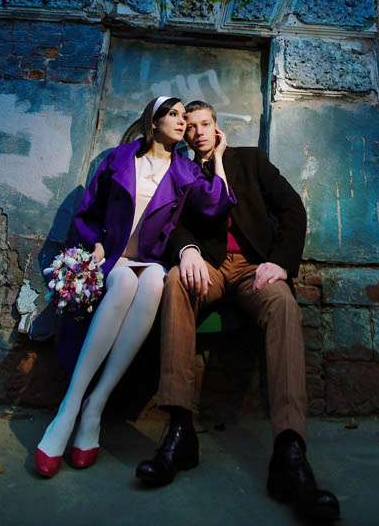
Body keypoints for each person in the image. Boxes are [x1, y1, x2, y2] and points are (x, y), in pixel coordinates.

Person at [135, 100, 340, 523]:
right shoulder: (182, 170)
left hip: (253, 268)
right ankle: (180, 429)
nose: (198, 132)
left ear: (217, 127)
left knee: (282, 303)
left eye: (204, 124)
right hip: (209, 268)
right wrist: (187, 250)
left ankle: (289, 449)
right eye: (190, 126)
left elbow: (292, 209)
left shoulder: (250, 161)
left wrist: (281, 263)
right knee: (174, 281)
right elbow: (172, 221)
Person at [34, 95, 235, 478]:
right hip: (111, 258)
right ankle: (70, 407)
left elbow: (217, 203)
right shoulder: (120, 158)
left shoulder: (183, 170)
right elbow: (89, 210)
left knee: (155, 278)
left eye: (184, 116)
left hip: (150, 261)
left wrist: (219, 156)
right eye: (173, 114)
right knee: (125, 280)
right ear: (153, 121)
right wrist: (94, 243)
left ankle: (95, 407)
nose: (182, 121)